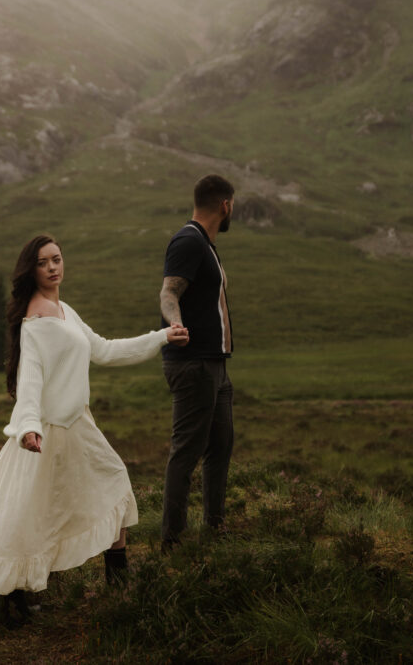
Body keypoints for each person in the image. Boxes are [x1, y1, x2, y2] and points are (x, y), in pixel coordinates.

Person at [0, 235, 188, 627]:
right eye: (43, 262)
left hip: (79, 425)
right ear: (31, 270)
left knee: (114, 484)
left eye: (57, 259)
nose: (53, 267)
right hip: (49, 432)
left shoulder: (64, 310)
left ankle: (119, 586)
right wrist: (29, 428)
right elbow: (30, 379)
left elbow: (103, 350)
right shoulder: (36, 321)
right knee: (31, 512)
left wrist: (160, 337)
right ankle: (19, 591)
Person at [158, 174, 236, 550]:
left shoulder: (205, 244)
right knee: (187, 451)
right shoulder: (188, 240)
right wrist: (175, 322)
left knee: (220, 446)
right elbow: (169, 291)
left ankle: (215, 529)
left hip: (215, 366)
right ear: (225, 205)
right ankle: (172, 541)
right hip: (194, 364)